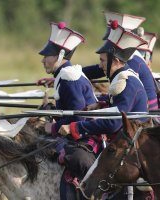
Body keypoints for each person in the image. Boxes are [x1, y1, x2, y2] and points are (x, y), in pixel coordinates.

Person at [58, 24, 154, 200]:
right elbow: (120, 109)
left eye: (103, 61)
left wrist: (75, 128)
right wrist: (101, 105)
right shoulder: (121, 78)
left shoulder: (126, 82)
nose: (100, 66)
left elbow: (114, 122)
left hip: (131, 147)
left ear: (116, 61)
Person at [38, 21, 98, 200]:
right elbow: (70, 110)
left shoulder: (69, 78)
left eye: (47, 55)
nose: (43, 60)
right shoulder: (64, 75)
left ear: (61, 55)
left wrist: (53, 128)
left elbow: (79, 116)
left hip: (87, 139)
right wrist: (50, 110)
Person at [83, 11, 158, 110]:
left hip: (147, 116)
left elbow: (125, 100)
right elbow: (97, 69)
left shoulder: (131, 62)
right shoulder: (127, 58)